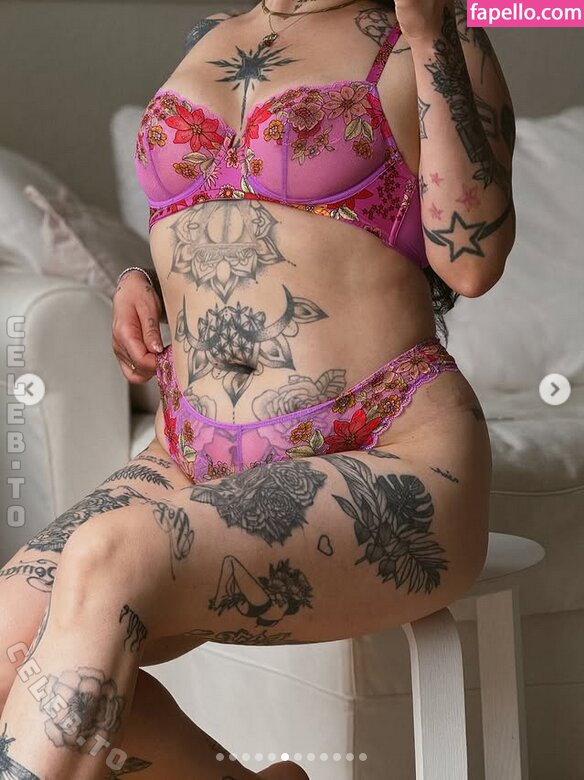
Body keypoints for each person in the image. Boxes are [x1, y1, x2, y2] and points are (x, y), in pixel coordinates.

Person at [0, 0, 515, 777]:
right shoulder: (210, 34)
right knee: (7, 646)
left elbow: (472, 263)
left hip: (385, 447)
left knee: (110, 558)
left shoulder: (436, 34)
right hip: (191, 453)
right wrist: (147, 281)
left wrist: (430, 34)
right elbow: (230, 217)